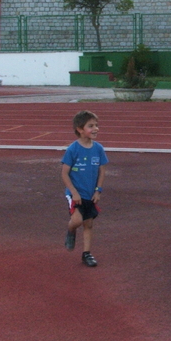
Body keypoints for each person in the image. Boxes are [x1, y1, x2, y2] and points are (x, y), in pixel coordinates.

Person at [61, 110, 108, 267]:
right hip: (76, 194)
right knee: (77, 220)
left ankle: (86, 254)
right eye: (91, 126)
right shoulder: (72, 150)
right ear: (80, 129)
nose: (95, 129)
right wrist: (74, 193)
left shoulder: (98, 149)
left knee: (88, 224)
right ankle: (71, 230)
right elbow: (64, 174)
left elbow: (102, 170)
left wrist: (98, 190)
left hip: (90, 194)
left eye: (96, 125)